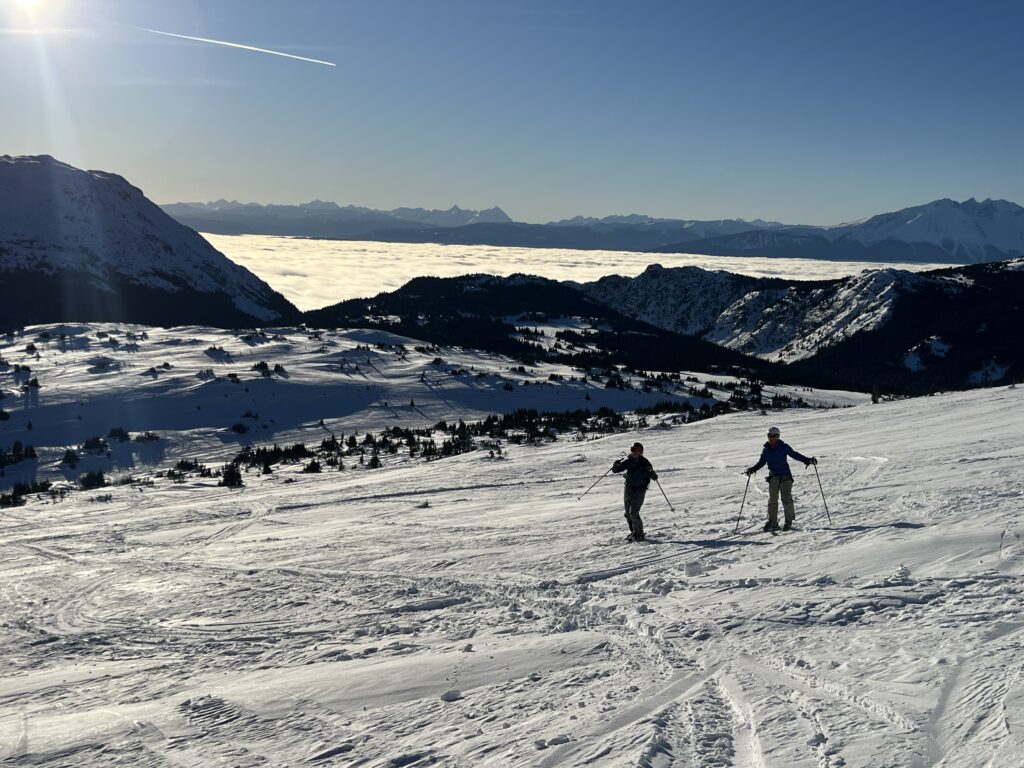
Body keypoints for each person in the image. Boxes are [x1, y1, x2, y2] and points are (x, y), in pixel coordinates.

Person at [745, 426, 817, 532]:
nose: (772, 438)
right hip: (773, 477)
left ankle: (788, 521)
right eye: (770, 436)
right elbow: (762, 462)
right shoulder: (766, 449)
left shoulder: (783, 446)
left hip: (785, 476)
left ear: (778, 436)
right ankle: (772, 522)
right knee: (772, 500)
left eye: (774, 436)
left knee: (786, 499)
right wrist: (753, 469)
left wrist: (807, 460)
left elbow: (794, 454)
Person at [612, 442, 658, 542]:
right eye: (633, 450)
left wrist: (651, 472)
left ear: (641, 451)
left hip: (640, 490)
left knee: (633, 513)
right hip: (628, 488)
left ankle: (639, 535)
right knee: (627, 514)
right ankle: (634, 532)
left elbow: (653, 476)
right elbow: (616, 470)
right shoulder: (629, 461)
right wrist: (616, 465)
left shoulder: (644, 462)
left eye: (637, 450)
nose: (635, 452)